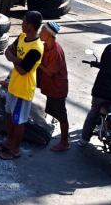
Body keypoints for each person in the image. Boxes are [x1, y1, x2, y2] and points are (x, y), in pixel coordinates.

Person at [0, 10, 43, 160]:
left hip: (23, 89)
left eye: (25, 22)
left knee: (18, 121)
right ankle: (9, 142)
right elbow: (7, 52)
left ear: (32, 26)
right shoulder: (22, 37)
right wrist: (18, 60)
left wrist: (14, 59)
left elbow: (22, 70)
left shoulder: (36, 48)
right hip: (13, 85)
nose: (22, 24)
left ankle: (15, 150)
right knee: (9, 116)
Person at [37, 21, 70, 152]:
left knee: (61, 115)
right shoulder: (46, 45)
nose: (40, 33)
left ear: (49, 34)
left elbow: (50, 72)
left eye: (42, 31)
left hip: (57, 87)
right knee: (52, 111)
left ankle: (64, 142)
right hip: (49, 85)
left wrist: (38, 64)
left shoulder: (56, 50)